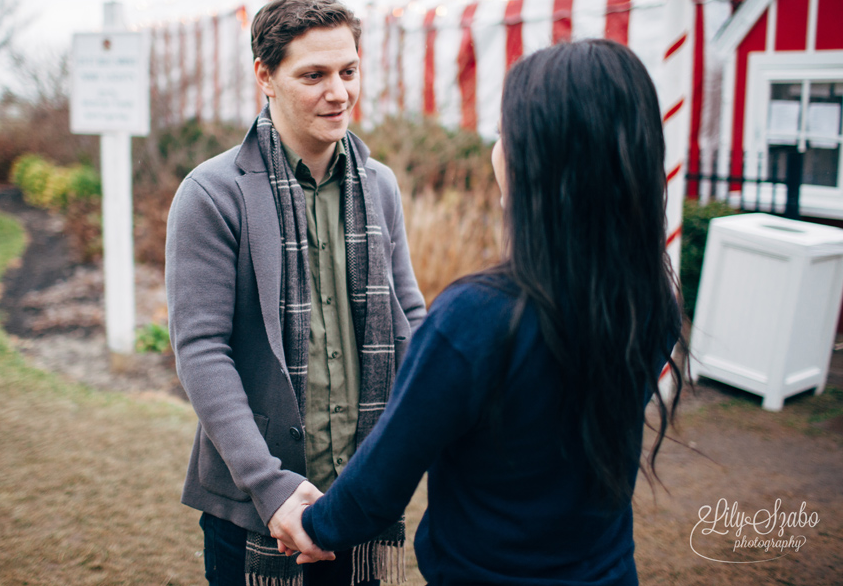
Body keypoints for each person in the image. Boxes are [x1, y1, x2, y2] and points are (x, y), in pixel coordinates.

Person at [274, 39, 686, 585]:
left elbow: (382, 482)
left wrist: (311, 525)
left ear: (538, 159)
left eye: (502, 133)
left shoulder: (478, 319)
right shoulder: (651, 299)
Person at [165, 0, 427, 586]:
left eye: (348, 71)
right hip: (257, 508)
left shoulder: (380, 185)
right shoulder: (211, 194)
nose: (338, 92)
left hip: (363, 497)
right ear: (265, 75)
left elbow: (408, 315)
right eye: (314, 75)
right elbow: (201, 351)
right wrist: (269, 485)